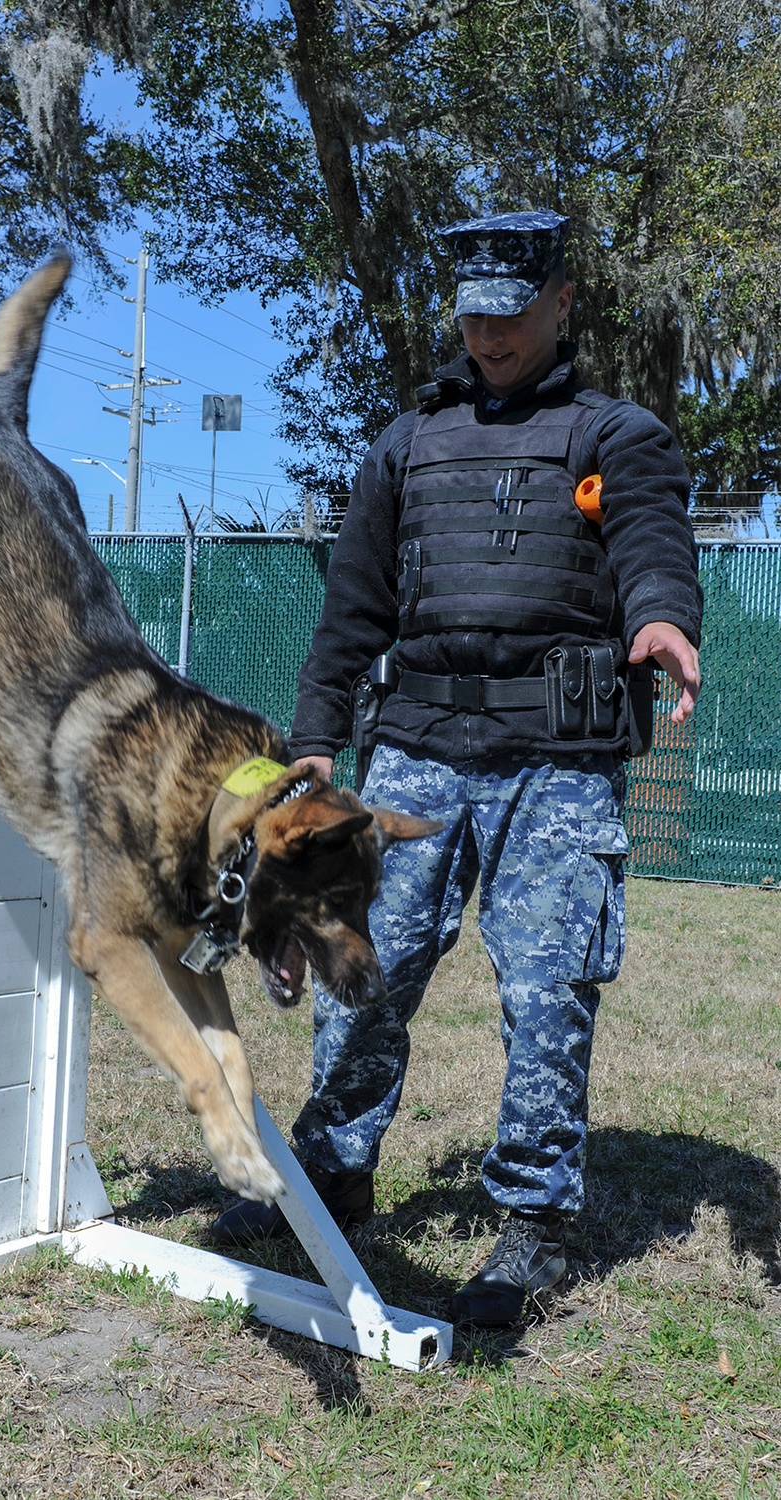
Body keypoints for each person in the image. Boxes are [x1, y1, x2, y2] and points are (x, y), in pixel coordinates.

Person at [212, 210, 703, 1327]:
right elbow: (352, 609)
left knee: (544, 991)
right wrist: (316, 740)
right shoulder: (406, 445)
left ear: (559, 300)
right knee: (360, 970)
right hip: (415, 755)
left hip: (558, 763)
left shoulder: (614, 434)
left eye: (510, 313)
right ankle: (330, 1173)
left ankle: (532, 1221)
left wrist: (664, 618)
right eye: (472, 314)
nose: (488, 333)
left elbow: (649, 545)